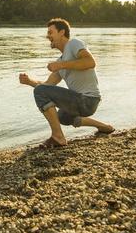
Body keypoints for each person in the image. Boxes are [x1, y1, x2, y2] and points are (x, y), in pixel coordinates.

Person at [19, 18, 114, 147]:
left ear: (62, 32)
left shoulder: (73, 43)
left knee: (40, 92)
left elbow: (90, 62)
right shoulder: (61, 60)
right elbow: (47, 86)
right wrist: (29, 81)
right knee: (62, 117)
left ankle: (58, 137)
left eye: (50, 32)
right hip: (84, 103)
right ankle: (103, 126)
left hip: (88, 100)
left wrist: (61, 65)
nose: (48, 36)